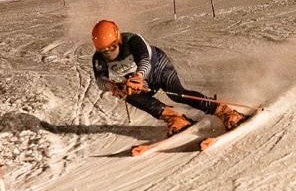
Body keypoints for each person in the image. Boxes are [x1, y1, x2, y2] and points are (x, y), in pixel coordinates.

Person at [90, 20, 244, 136]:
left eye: (112, 46)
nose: (108, 52)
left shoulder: (132, 40)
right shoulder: (98, 58)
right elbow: (100, 79)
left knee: (176, 93)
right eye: (103, 50)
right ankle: (174, 119)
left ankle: (224, 111)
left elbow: (145, 60)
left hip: (158, 67)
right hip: (141, 80)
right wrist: (112, 87)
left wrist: (138, 76)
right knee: (128, 94)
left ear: (118, 39)